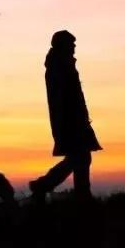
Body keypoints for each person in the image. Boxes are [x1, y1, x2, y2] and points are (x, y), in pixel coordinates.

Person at [29, 30, 101, 200]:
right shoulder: (59, 66)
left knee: (79, 158)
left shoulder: (62, 64)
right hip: (70, 122)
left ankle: (78, 194)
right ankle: (46, 186)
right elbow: (64, 97)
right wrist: (75, 119)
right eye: (71, 44)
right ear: (63, 46)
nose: (74, 47)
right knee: (80, 157)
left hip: (74, 120)